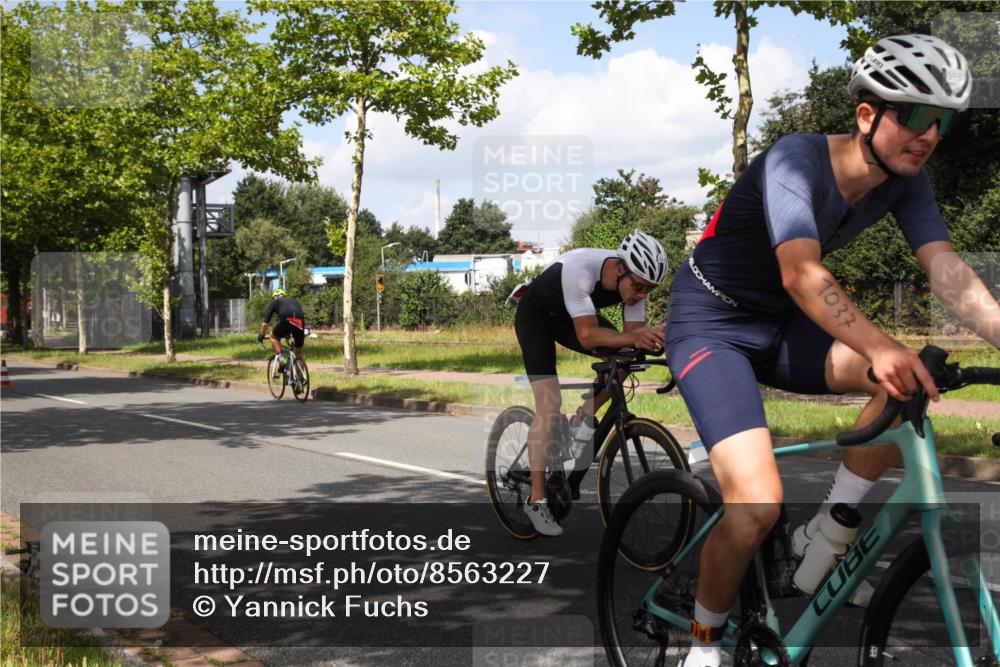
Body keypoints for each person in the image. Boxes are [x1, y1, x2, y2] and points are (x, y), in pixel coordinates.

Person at [664, 34, 1000, 667]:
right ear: (867, 115)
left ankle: (830, 530)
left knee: (898, 383)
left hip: (782, 324)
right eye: (915, 115)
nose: (929, 135)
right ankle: (703, 644)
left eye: (943, 121)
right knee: (756, 502)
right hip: (709, 322)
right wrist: (878, 344)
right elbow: (800, 272)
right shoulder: (794, 161)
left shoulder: (904, 182)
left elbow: (950, 276)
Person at [513, 229, 668, 536]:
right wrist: (634, 337)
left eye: (647, 290)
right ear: (620, 268)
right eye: (637, 287)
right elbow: (586, 334)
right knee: (548, 405)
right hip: (537, 318)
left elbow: (631, 338)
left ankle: (585, 414)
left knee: (628, 354)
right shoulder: (580, 270)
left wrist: (651, 341)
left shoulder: (636, 283)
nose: (640, 295)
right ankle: (536, 500)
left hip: (570, 317)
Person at [258, 288, 307, 378]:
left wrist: (261, 335)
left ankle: (282, 358)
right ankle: (300, 381)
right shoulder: (294, 301)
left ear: (275, 297)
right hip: (300, 323)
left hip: (287, 320)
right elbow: (297, 317)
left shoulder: (275, 302)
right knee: (299, 354)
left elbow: (265, 323)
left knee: (273, 336)